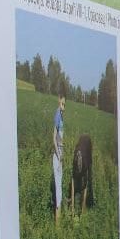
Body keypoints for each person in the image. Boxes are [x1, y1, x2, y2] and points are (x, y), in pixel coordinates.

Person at [53, 93, 65, 223]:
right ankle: (57, 223)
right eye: (62, 103)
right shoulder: (57, 115)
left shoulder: (61, 116)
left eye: (65, 104)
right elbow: (54, 139)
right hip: (57, 156)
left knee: (59, 186)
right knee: (58, 188)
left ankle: (58, 220)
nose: (64, 107)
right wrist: (59, 155)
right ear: (58, 101)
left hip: (61, 153)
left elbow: (60, 139)